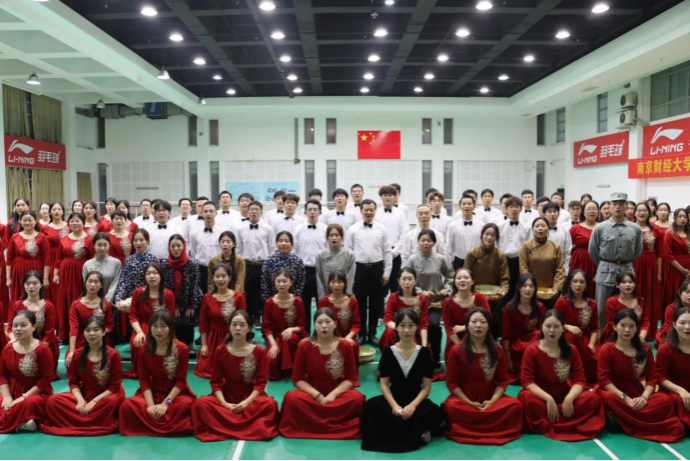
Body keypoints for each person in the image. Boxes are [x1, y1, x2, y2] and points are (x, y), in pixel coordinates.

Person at [361, 308, 444, 453]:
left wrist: (412, 406)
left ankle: (406, 432)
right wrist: (394, 406)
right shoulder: (388, 352)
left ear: (416, 327)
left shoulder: (424, 353)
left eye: (411, 325)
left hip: (416, 401)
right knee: (370, 407)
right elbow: (384, 384)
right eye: (402, 325)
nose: (406, 330)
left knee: (436, 412)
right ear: (397, 327)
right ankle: (419, 434)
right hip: (394, 399)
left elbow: (426, 387)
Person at [597, 309, 684, 443]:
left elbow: (652, 379)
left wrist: (644, 398)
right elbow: (603, 380)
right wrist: (625, 398)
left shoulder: (645, 348)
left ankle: (621, 419)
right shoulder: (607, 349)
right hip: (614, 393)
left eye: (631, 326)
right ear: (614, 327)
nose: (627, 330)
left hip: (636, 392)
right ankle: (631, 419)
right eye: (623, 325)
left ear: (636, 328)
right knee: (606, 398)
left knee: (665, 400)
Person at [192, 310, 279, 442]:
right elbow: (215, 382)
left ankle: (224, 425)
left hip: (250, 397)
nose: (238, 328)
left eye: (242, 325)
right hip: (226, 397)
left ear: (249, 328)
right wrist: (225, 404)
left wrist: (246, 403)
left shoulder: (259, 351)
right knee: (200, 404)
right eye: (234, 324)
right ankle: (247, 427)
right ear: (229, 327)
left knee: (270, 405)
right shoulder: (221, 350)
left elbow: (261, 383)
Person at [278, 308, 365, 440]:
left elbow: (351, 378)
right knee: (291, 398)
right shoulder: (305, 345)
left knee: (357, 398)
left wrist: (332, 395)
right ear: (314, 325)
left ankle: (313, 423)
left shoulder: (345, 345)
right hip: (311, 392)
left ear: (335, 324)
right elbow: (297, 379)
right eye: (319, 322)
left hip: (337, 392)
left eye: (328, 322)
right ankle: (334, 423)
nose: (324, 326)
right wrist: (317, 395)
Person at [519, 310, 605, 441]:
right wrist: (548, 399)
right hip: (541, 398)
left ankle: (555, 418)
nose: (552, 330)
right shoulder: (532, 350)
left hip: (564, 395)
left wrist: (569, 398)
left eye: (556, 326)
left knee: (593, 398)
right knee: (526, 398)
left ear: (562, 328)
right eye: (548, 326)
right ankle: (568, 420)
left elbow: (580, 381)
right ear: (541, 326)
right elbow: (527, 381)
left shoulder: (571, 350)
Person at [443, 308, 524, 446]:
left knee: (516, 406)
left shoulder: (497, 349)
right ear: (467, 325)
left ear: (489, 326)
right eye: (474, 321)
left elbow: (503, 380)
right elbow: (451, 382)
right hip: (465, 400)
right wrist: (468, 402)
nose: (478, 325)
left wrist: (492, 401)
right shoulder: (457, 350)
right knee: (450, 408)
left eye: (482, 322)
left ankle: (473, 425)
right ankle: (490, 425)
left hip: (490, 398)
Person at [42, 316, 124, 436]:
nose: (91, 333)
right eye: (88, 330)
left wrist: (94, 402)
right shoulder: (77, 354)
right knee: (52, 401)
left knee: (112, 403)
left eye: (96, 330)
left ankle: (79, 420)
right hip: (85, 394)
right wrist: (80, 400)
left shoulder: (113, 355)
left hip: (106, 396)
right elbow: (73, 382)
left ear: (104, 332)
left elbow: (114, 387)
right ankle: (92, 420)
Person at [119, 310, 197, 437]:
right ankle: (167, 425)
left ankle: (149, 425)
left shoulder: (181, 349)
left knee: (185, 405)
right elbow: (144, 382)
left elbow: (180, 382)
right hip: (152, 392)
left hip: (174, 394)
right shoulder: (144, 349)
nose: (159, 330)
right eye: (155, 326)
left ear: (171, 328)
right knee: (127, 405)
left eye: (163, 326)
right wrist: (150, 406)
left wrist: (166, 404)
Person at [589, 192, 643, 329]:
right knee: (601, 309)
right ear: (610, 206)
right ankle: (603, 337)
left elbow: (637, 251)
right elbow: (593, 250)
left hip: (626, 271)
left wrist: (626, 262)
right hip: (605, 273)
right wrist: (604, 264)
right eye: (615, 204)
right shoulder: (600, 228)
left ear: (626, 206)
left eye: (621, 204)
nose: (618, 207)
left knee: (628, 307)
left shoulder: (635, 228)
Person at [345, 199, 392, 346]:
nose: (369, 212)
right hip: (358, 269)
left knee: (375, 302)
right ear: (361, 211)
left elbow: (387, 251)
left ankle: (372, 333)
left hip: (377, 269)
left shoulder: (382, 229)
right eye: (366, 209)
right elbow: (348, 252)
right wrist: (350, 275)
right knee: (359, 303)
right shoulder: (353, 229)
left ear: (375, 211)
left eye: (372, 210)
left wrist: (387, 272)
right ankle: (361, 333)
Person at [0, 310, 55, 433]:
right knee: (5, 402)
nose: (18, 329)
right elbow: (2, 374)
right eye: (15, 325)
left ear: (34, 327)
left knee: (30, 403)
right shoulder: (8, 348)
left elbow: (46, 379)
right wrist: (7, 396)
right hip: (13, 391)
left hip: (36, 393)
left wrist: (24, 397)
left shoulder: (42, 349)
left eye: (23, 325)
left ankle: (10, 421)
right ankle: (20, 422)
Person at [407, 229, 453, 369]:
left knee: (433, 325)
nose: (425, 243)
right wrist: (421, 292)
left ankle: (435, 357)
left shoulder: (440, 259)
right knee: (415, 327)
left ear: (434, 243)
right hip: (416, 301)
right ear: (418, 242)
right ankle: (418, 356)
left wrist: (447, 289)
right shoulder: (412, 259)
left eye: (429, 240)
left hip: (435, 302)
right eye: (423, 240)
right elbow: (407, 280)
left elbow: (450, 276)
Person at [195, 264, 247, 379]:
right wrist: (204, 345)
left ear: (230, 278)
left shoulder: (238, 297)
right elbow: (203, 323)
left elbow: (243, 322)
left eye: (224, 276)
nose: (220, 279)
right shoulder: (207, 298)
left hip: (233, 337)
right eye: (217, 276)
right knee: (205, 368)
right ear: (213, 278)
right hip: (213, 338)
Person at [126, 263, 176, 379]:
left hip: (163, 327)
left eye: (155, 273)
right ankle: (142, 371)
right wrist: (139, 332)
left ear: (161, 276)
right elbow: (133, 315)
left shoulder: (168, 294)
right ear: (145, 276)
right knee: (139, 342)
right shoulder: (138, 292)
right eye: (148, 274)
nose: (152, 276)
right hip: (143, 326)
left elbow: (170, 318)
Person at [554, 270, 600, 387]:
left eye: (581, 282)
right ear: (570, 283)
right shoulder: (561, 301)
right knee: (570, 339)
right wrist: (567, 326)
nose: (578, 285)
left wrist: (591, 344)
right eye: (575, 281)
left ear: (586, 285)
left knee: (597, 357)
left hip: (585, 338)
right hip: (565, 338)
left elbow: (595, 327)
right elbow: (553, 322)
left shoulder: (592, 303)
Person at [7, 272, 59, 373]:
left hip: (44, 346)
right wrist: (14, 341)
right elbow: (10, 328)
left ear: (41, 284)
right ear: (23, 285)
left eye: (35, 283)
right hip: (21, 344)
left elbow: (49, 333)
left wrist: (37, 351)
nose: (31, 286)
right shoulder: (17, 305)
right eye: (28, 283)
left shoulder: (48, 306)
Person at [54, 213, 95, 342]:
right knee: (65, 300)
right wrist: (55, 274)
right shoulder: (64, 239)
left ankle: (83, 333)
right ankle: (66, 333)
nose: (75, 223)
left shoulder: (90, 239)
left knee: (81, 298)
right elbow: (58, 259)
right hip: (66, 272)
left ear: (83, 223)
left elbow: (93, 259)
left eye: (77, 221)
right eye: (72, 221)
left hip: (82, 272)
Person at [465, 223, 509, 338]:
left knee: (495, 322)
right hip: (475, 296)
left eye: (493, 235)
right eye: (487, 234)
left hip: (494, 297)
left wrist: (503, 292)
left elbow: (505, 279)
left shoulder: (500, 255)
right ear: (482, 235)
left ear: (496, 238)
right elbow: (466, 276)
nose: (489, 237)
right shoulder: (472, 253)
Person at [161, 235, 203, 354]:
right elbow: (165, 288)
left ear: (184, 246)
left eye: (179, 245)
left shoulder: (192, 263)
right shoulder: (164, 264)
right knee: (177, 322)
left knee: (187, 321)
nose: (176, 249)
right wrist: (173, 306)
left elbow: (194, 286)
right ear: (169, 247)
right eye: (173, 246)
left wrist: (191, 305)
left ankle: (189, 346)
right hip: (173, 302)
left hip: (190, 300)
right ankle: (178, 345)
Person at [262, 269, 307, 381]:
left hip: (294, 336)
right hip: (276, 337)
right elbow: (266, 328)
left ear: (291, 283)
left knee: (289, 338)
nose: (281, 284)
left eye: (284, 281)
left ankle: (293, 370)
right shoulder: (269, 302)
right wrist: (273, 344)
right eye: (278, 281)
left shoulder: (298, 301)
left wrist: (291, 329)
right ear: (274, 282)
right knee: (272, 361)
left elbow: (302, 325)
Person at [236, 200, 275, 328]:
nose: (254, 212)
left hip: (262, 265)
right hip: (246, 265)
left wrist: (269, 266)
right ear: (247, 212)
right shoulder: (241, 229)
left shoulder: (268, 229)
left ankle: (258, 316)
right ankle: (247, 316)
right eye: (251, 209)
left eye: (256, 210)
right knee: (247, 290)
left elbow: (272, 248)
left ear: (261, 213)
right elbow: (239, 249)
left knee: (260, 291)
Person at [65, 271, 114, 369]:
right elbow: (73, 329)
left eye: (96, 282)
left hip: (101, 339)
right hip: (81, 338)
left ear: (101, 285)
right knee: (73, 361)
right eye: (90, 281)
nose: (92, 285)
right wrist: (72, 351)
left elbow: (109, 326)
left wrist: (97, 333)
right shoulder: (76, 305)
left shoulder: (106, 305)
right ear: (85, 283)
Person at [503, 273, 546, 384]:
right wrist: (508, 359)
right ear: (518, 287)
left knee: (538, 335)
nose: (528, 289)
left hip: (534, 340)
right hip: (516, 343)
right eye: (524, 286)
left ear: (535, 289)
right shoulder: (509, 307)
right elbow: (506, 335)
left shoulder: (540, 307)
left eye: (531, 286)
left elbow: (543, 332)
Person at [293, 200, 328, 330]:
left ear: (320, 212)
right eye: (310, 209)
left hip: (321, 270)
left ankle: (321, 331)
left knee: (322, 302)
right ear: (305, 212)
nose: (312, 212)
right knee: (304, 303)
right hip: (304, 270)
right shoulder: (298, 229)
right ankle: (305, 332)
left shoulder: (325, 229)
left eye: (315, 209)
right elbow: (295, 250)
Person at [442, 268, 490, 362]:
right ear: (455, 282)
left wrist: (464, 327)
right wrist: (461, 347)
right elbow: (449, 329)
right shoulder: (448, 302)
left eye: (466, 277)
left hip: (478, 336)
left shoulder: (480, 298)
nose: (462, 280)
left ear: (472, 281)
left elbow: (487, 319)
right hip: (456, 340)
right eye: (459, 278)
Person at [519, 217, 565, 310]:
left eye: (543, 226)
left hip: (550, 291)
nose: (540, 228)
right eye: (537, 226)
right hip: (531, 290)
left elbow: (560, 269)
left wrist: (557, 288)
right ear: (532, 229)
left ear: (548, 228)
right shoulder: (526, 246)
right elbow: (523, 268)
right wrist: (529, 287)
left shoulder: (555, 247)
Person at [6, 211, 51, 305]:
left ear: (35, 221)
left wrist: (45, 278)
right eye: (24, 220)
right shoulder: (14, 237)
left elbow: (47, 259)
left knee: (37, 296)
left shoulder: (42, 237)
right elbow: (9, 259)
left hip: (37, 269)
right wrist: (8, 278)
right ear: (20, 221)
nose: (27, 223)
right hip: (18, 271)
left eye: (30, 220)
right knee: (19, 297)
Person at [656, 307, 690, 431]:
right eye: (682, 323)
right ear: (674, 325)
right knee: (679, 401)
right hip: (673, 391)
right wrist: (681, 390)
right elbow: (660, 378)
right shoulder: (666, 349)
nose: (687, 327)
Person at [633, 202, 663, 337]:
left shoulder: (655, 230)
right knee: (635, 294)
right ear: (634, 213)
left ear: (649, 212)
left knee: (650, 296)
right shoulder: (629, 228)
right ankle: (633, 329)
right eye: (639, 210)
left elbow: (660, 253)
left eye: (644, 210)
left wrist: (659, 272)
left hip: (651, 265)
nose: (641, 213)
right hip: (634, 264)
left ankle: (649, 331)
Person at [317, 271, 362, 359]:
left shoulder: (353, 301)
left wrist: (348, 337)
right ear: (329, 283)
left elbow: (356, 325)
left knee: (352, 345)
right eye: (333, 282)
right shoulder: (323, 301)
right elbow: (319, 322)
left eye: (339, 282)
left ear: (345, 283)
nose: (336, 285)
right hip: (328, 336)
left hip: (347, 336)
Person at [601, 272, 650, 343]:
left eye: (630, 282)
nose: (627, 285)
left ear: (634, 284)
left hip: (635, 335)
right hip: (615, 336)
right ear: (617, 285)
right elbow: (612, 324)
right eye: (623, 282)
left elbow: (645, 322)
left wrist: (641, 337)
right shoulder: (611, 301)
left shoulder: (640, 301)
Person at [190, 201, 224, 296]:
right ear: (202, 213)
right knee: (201, 296)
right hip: (201, 269)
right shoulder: (195, 233)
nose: (208, 214)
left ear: (216, 213)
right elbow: (193, 253)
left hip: (218, 269)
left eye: (211, 211)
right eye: (206, 211)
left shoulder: (222, 232)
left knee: (218, 295)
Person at [315, 224, 356, 300]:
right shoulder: (320, 255)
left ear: (342, 237)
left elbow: (350, 277)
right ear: (327, 237)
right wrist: (322, 298)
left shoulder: (349, 254)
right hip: (327, 295)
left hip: (344, 296)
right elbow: (319, 278)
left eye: (337, 235)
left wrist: (347, 296)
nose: (334, 238)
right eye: (331, 235)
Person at [569, 201, 599, 296]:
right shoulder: (575, 228)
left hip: (597, 261)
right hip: (580, 261)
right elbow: (568, 248)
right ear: (583, 212)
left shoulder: (602, 227)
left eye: (594, 209)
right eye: (588, 209)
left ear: (598, 211)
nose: (591, 211)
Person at [446, 195, 484, 270]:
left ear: (474, 206)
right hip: (458, 262)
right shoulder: (452, 226)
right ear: (460, 206)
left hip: (476, 262)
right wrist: (450, 264)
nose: (466, 206)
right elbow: (449, 247)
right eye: (464, 204)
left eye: (469, 204)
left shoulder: (481, 225)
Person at [662, 208, 690, 308]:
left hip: (689, 267)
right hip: (676, 268)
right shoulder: (670, 234)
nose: (683, 219)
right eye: (680, 216)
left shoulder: (689, 234)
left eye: (685, 217)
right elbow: (668, 256)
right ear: (675, 218)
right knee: (676, 292)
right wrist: (682, 270)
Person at [82, 233, 122, 303]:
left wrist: (106, 302)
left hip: (110, 302)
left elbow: (115, 284)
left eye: (105, 245)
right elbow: (88, 285)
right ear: (94, 245)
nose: (102, 248)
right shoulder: (87, 264)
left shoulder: (116, 263)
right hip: (92, 302)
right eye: (99, 245)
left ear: (109, 245)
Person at [656, 279, 690, 347]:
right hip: (672, 336)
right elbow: (671, 330)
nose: (689, 295)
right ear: (679, 293)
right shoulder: (671, 309)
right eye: (687, 292)